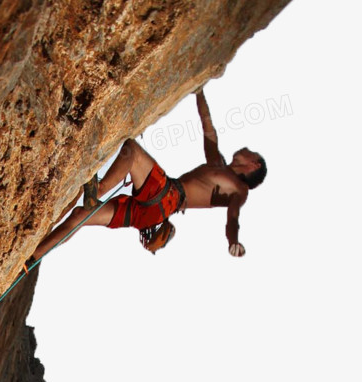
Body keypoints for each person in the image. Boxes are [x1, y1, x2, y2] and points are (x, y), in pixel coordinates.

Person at [25, 86, 266, 263]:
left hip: (166, 197)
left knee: (132, 152)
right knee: (80, 216)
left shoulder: (239, 190)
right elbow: (208, 128)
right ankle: (32, 258)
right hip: (152, 214)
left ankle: (98, 190)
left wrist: (232, 240)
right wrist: (200, 92)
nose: (246, 149)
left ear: (253, 164)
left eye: (251, 152)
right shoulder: (218, 164)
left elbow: (233, 218)